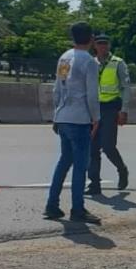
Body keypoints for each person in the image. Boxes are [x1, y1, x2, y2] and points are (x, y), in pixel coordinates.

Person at [44, 22, 102, 224]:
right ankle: (78, 208)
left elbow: (57, 89)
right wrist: (96, 118)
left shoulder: (64, 57)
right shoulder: (90, 62)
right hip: (80, 118)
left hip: (63, 115)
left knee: (64, 161)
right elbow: (93, 94)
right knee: (80, 165)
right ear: (91, 38)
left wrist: (56, 114)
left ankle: (52, 204)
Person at [85, 33, 132, 195]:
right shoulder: (90, 63)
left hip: (111, 108)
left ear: (109, 45)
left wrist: (124, 110)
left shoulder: (118, 63)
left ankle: (122, 169)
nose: (102, 46)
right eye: (99, 43)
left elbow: (126, 87)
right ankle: (94, 184)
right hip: (93, 109)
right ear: (95, 46)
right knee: (92, 147)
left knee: (108, 146)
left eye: (105, 43)